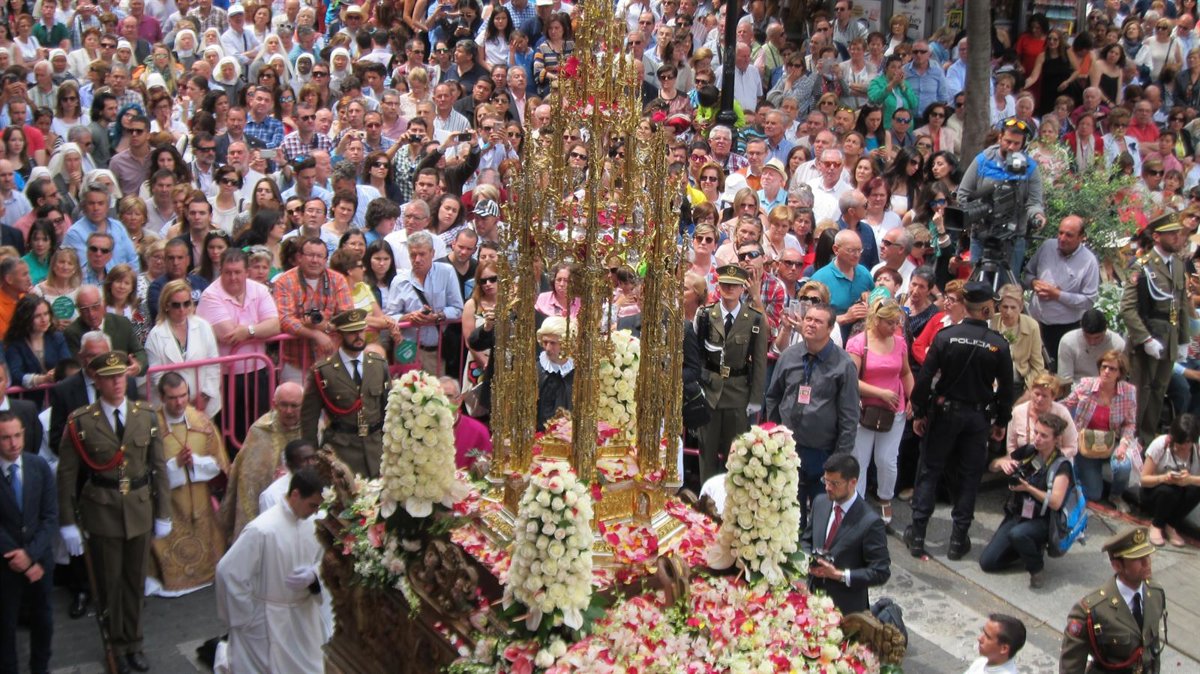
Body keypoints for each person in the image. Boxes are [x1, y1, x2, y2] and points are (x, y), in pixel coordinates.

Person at [57, 351, 170, 674]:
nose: (117, 383)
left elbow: (158, 467)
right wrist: (68, 522)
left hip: (139, 508)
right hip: (102, 510)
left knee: (135, 582)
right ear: (96, 381)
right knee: (110, 584)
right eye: (109, 378)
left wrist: (163, 513)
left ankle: (134, 642)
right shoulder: (81, 422)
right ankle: (116, 646)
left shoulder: (144, 415)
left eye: (120, 376)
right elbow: (66, 475)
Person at [907, 281, 1014, 560]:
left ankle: (917, 534)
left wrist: (919, 411)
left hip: (945, 413)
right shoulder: (998, 344)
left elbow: (925, 378)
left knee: (930, 470)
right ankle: (958, 539)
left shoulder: (947, 337)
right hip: (977, 417)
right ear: (986, 309)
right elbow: (1006, 390)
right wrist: (1001, 422)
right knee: (969, 476)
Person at [215, 468, 329, 674]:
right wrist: (244, 616)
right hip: (267, 620)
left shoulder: (315, 522)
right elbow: (228, 572)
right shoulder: (262, 529)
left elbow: (326, 560)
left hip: (305, 618)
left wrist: (314, 575)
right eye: (312, 505)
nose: (315, 511)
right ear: (295, 495)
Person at [765, 301, 858, 527]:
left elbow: (849, 416)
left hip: (822, 452)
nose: (811, 324)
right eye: (808, 319)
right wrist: (774, 433)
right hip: (789, 448)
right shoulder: (789, 355)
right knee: (789, 515)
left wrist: (840, 458)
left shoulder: (843, 364)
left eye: (818, 321)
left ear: (830, 328)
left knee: (821, 515)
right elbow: (773, 395)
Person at [150, 372, 228, 595]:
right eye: (173, 397)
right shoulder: (151, 427)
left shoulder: (201, 422)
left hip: (199, 499)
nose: (179, 402)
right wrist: (175, 465)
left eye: (183, 395)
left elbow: (219, 463)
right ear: (162, 398)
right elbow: (146, 471)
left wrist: (196, 462)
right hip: (168, 503)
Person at [980, 413, 1074, 588]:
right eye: (1036, 433)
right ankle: (1025, 548)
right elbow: (992, 466)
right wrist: (1001, 464)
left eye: (1044, 436)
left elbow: (1055, 502)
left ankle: (1036, 568)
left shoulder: (1061, 466)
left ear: (1056, 439)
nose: (1037, 439)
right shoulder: (1030, 451)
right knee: (988, 562)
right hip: (1018, 513)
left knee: (1018, 534)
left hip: (1042, 519)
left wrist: (1028, 488)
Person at [693, 265, 768, 482]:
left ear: (743, 288)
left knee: (735, 457)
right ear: (718, 286)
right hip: (710, 393)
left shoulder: (754, 319)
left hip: (738, 394)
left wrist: (755, 399)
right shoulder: (706, 315)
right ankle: (706, 497)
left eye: (735, 285)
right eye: (725, 284)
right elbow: (696, 355)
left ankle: (732, 499)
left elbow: (760, 362)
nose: (729, 289)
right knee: (706, 455)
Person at [1121, 213, 1191, 444]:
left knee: (1159, 390)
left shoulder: (1178, 265)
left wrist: (1183, 339)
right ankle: (1132, 439)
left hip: (1169, 337)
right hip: (1148, 336)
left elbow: (1180, 304)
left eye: (1177, 233)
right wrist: (1145, 339)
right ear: (1157, 237)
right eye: (1171, 233)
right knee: (1141, 391)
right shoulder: (1142, 266)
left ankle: (1148, 439)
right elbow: (1128, 308)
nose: (1177, 237)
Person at [1060, 527, 1166, 674]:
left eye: (1147, 556)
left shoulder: (1155, 594)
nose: (1146, 563)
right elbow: (1071, 667)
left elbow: (1153, 650)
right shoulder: (1091, 610)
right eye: (1137, 559)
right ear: (1117, 566)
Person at [845, 298, 912, 524]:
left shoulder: (900, 342)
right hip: (865, 409)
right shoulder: (857, 342)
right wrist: (880, 392)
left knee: (886, 459)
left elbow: (905, 372)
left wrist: (913, 398)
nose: (895, 327)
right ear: (876, 320)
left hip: (894, 409)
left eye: (897, 322)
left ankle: (885, 498)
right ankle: (857, 502)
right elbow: (851, 379)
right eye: (890, 323)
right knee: (860, 459)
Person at [300, 309, 389, 478]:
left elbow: (387, 409)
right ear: (340, 335)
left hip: (376, 449)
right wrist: (312, 457)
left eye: (361, 331)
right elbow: (309, 419)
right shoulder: (323, 371)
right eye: (351, 332)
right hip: (343, 451)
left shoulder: (378, 365)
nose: (358, 336)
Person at [0, 410, 56, 674]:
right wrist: (19, 557)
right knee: (5, 625)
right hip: (5, 565)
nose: (13, 444)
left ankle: (40, 668)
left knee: (43, 620)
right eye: (5, 438)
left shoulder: (39, 466)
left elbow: (50, 516)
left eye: (17, 436)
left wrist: (32, 556)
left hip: (39, 560)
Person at [800, 453, 890, 615]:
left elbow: (880, 572)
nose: (828, 487)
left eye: (834, 483)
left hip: (846, 610)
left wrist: (840, 575)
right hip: (813, 600)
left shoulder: (869, 521)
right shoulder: (820, 502)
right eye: (826, 481)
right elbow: (807, 540)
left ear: (852, 483)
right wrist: (808, 561)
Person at [957, 118, 1047, 274]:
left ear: (1023, 144)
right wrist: (979, 208)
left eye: (1016, 144)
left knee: (1008, 287)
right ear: (1000, 138)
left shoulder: (1030, 168)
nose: (1011, 147)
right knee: (977, 285)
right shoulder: (983, 160)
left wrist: (1038, 215)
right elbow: (963, 194)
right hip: (982, 235)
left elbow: (1034, 202)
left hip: (1013, 238)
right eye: (1008, 141)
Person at [217, 382, 304, 543]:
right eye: (283, 405)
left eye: (294, 406)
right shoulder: (260, 430)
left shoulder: (313, 428)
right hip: (268, 503)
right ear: (274, 404)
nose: (288, 411)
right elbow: (249, 479)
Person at [1022, 215, 1100, 366]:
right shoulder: (1047, 247)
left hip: (1064, 331)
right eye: (1060, 232)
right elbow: (1026, 274)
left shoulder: (1089, 262)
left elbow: (1089, 300)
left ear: (1081, 237)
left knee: (1057, 373)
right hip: (1034, 323)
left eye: (1069, 235)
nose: (1062, 238)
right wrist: (1033, 282)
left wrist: (1057, 295)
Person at [1139, 413, 1200, 547]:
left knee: (1196, 489)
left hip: (1179, 497)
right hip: (1155, 493)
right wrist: (1163, 478)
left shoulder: (1197, 449)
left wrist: (1190, 479)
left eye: (1187, 443)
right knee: (1170, 490)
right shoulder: (1161, 444)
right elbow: (1143, 479)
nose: (1183, 447)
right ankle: (1157, 525)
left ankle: (1171, 525)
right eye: (1179, 442)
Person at [63, 285, 149, 376]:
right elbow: (77, 368)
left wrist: (138, 366)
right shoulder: (72, 332)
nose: (91, 314)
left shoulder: (122, 323)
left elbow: (139, 351)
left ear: (104, 304)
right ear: (78, 311)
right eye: (85, 310)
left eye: (95, 307)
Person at [1056, 309, 1127, 385]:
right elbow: (1065, 379)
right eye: (1087, 337)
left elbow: (1120, 379)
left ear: (1106, 329)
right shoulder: (1068, 341)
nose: (1092, 342)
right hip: (1077, 387)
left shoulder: (1117, 344)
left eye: (1097, 337)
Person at [257, 439, 319, 515]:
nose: (311, 463)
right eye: (304, 460)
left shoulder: (325, 484)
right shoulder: (271, 495)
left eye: (313, 458)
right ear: (289, 465)